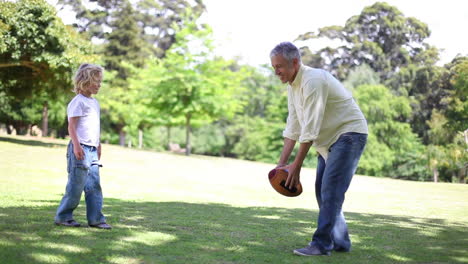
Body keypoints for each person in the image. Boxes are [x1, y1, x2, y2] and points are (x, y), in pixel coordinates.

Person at [270, 42, 368, 256]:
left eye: (279, 66)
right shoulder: (292, 87)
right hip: (328, 141)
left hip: (349, 134)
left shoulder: (313, 81)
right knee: (322, 192)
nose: (276, 71)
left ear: (295, 62)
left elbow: (310, 128)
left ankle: (321, 244)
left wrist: (296, 166)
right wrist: (280, 166)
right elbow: (293, 126)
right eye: (273, 67)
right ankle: (340, 242)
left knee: (330, 190)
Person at [54, 63, 111, 229]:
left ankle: (96, 219)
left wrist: (98, 145)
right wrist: (77, 147)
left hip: (92, 150)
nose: (99, 85)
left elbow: (94, 126)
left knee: (94, 186)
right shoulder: (78, 102)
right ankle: (63, 216)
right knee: (76, 186)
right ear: (85, 81)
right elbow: (71, 127)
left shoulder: (95, 103)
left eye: (100, 81)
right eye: (96, 81)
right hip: (80, 149)